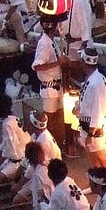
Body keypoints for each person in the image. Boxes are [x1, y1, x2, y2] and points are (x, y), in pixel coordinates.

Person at [74, 46, 106, 179]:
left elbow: (98, 108)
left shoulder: (96, 82)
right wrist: (79, 108)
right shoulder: (93, 78)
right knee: (94, 160)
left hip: (94, 128)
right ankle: (96, 184)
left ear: (83, 62)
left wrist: (91, 133)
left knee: (103, 161)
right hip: (87, 124)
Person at [32, 16, 66, 145]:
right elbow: (37, 66)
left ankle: (58, 144)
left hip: (57, 86)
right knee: (50, 120)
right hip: (49, 87)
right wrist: (58, 62)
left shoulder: (51, 41)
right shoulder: (44, 43)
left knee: (59, 118)